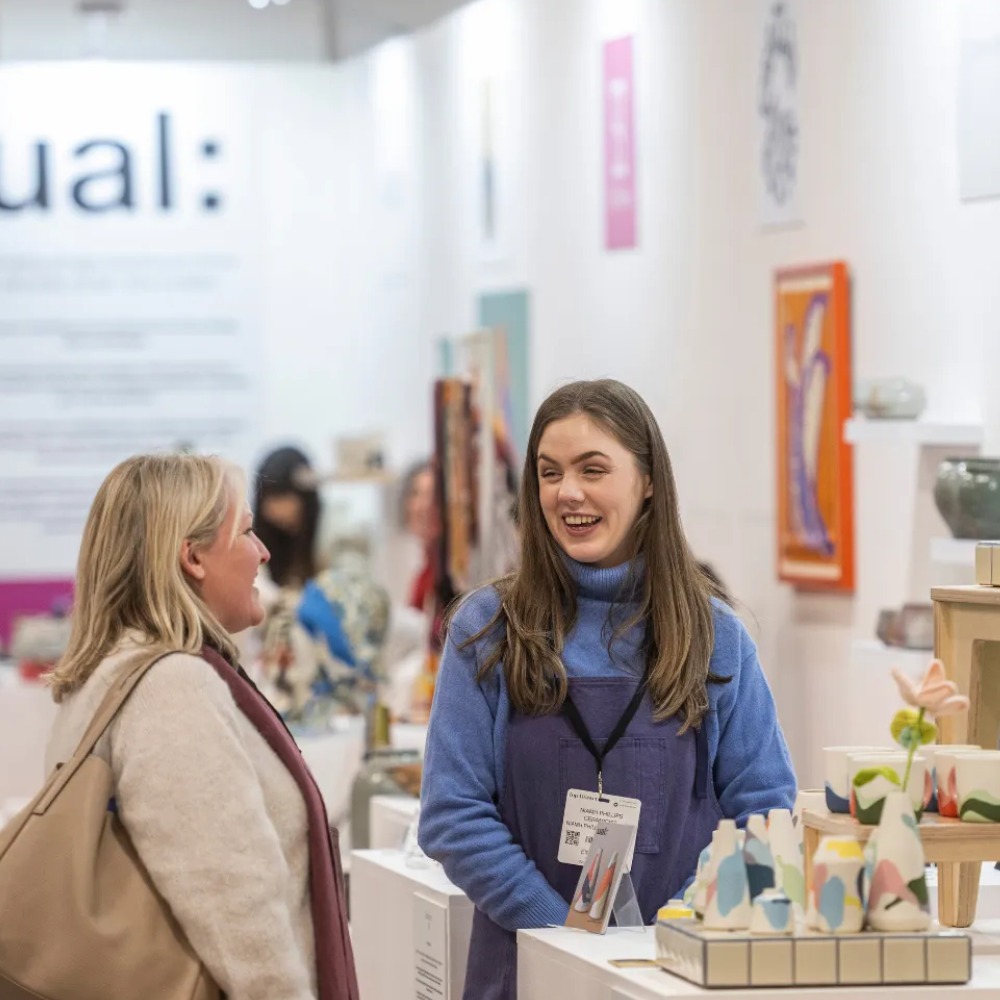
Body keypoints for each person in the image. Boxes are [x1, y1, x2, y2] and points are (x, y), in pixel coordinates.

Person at [418, 379, 796, 1000]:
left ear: (647, 480)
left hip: (674, 976)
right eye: (549, 472)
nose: (569, 493)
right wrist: (561, 932)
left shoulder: (715, 637)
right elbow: (452, 815)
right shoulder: (486, 630)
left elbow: (766, 811)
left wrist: (670, 929)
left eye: (593, 469)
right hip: (525, 974)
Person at [44, 453, 358, 1000]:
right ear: (193, 558)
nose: (262, 552)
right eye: (246, 532)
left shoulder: (111, 671)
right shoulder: (172, 686)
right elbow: (237, 905)